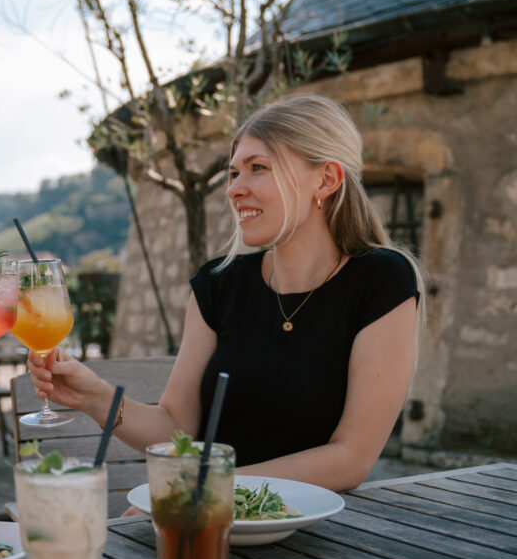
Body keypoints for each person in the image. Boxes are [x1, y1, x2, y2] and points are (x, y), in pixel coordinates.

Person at [29, 95, 421, 492]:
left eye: (258, 168)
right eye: (234, 173)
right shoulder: (218, 285)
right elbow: (175, 427)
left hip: (319, 533)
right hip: (212, 525)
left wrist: (205, 488)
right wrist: (95, 396)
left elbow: (350, 457)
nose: (235, 189)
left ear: (326, 179)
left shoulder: (381, 282)